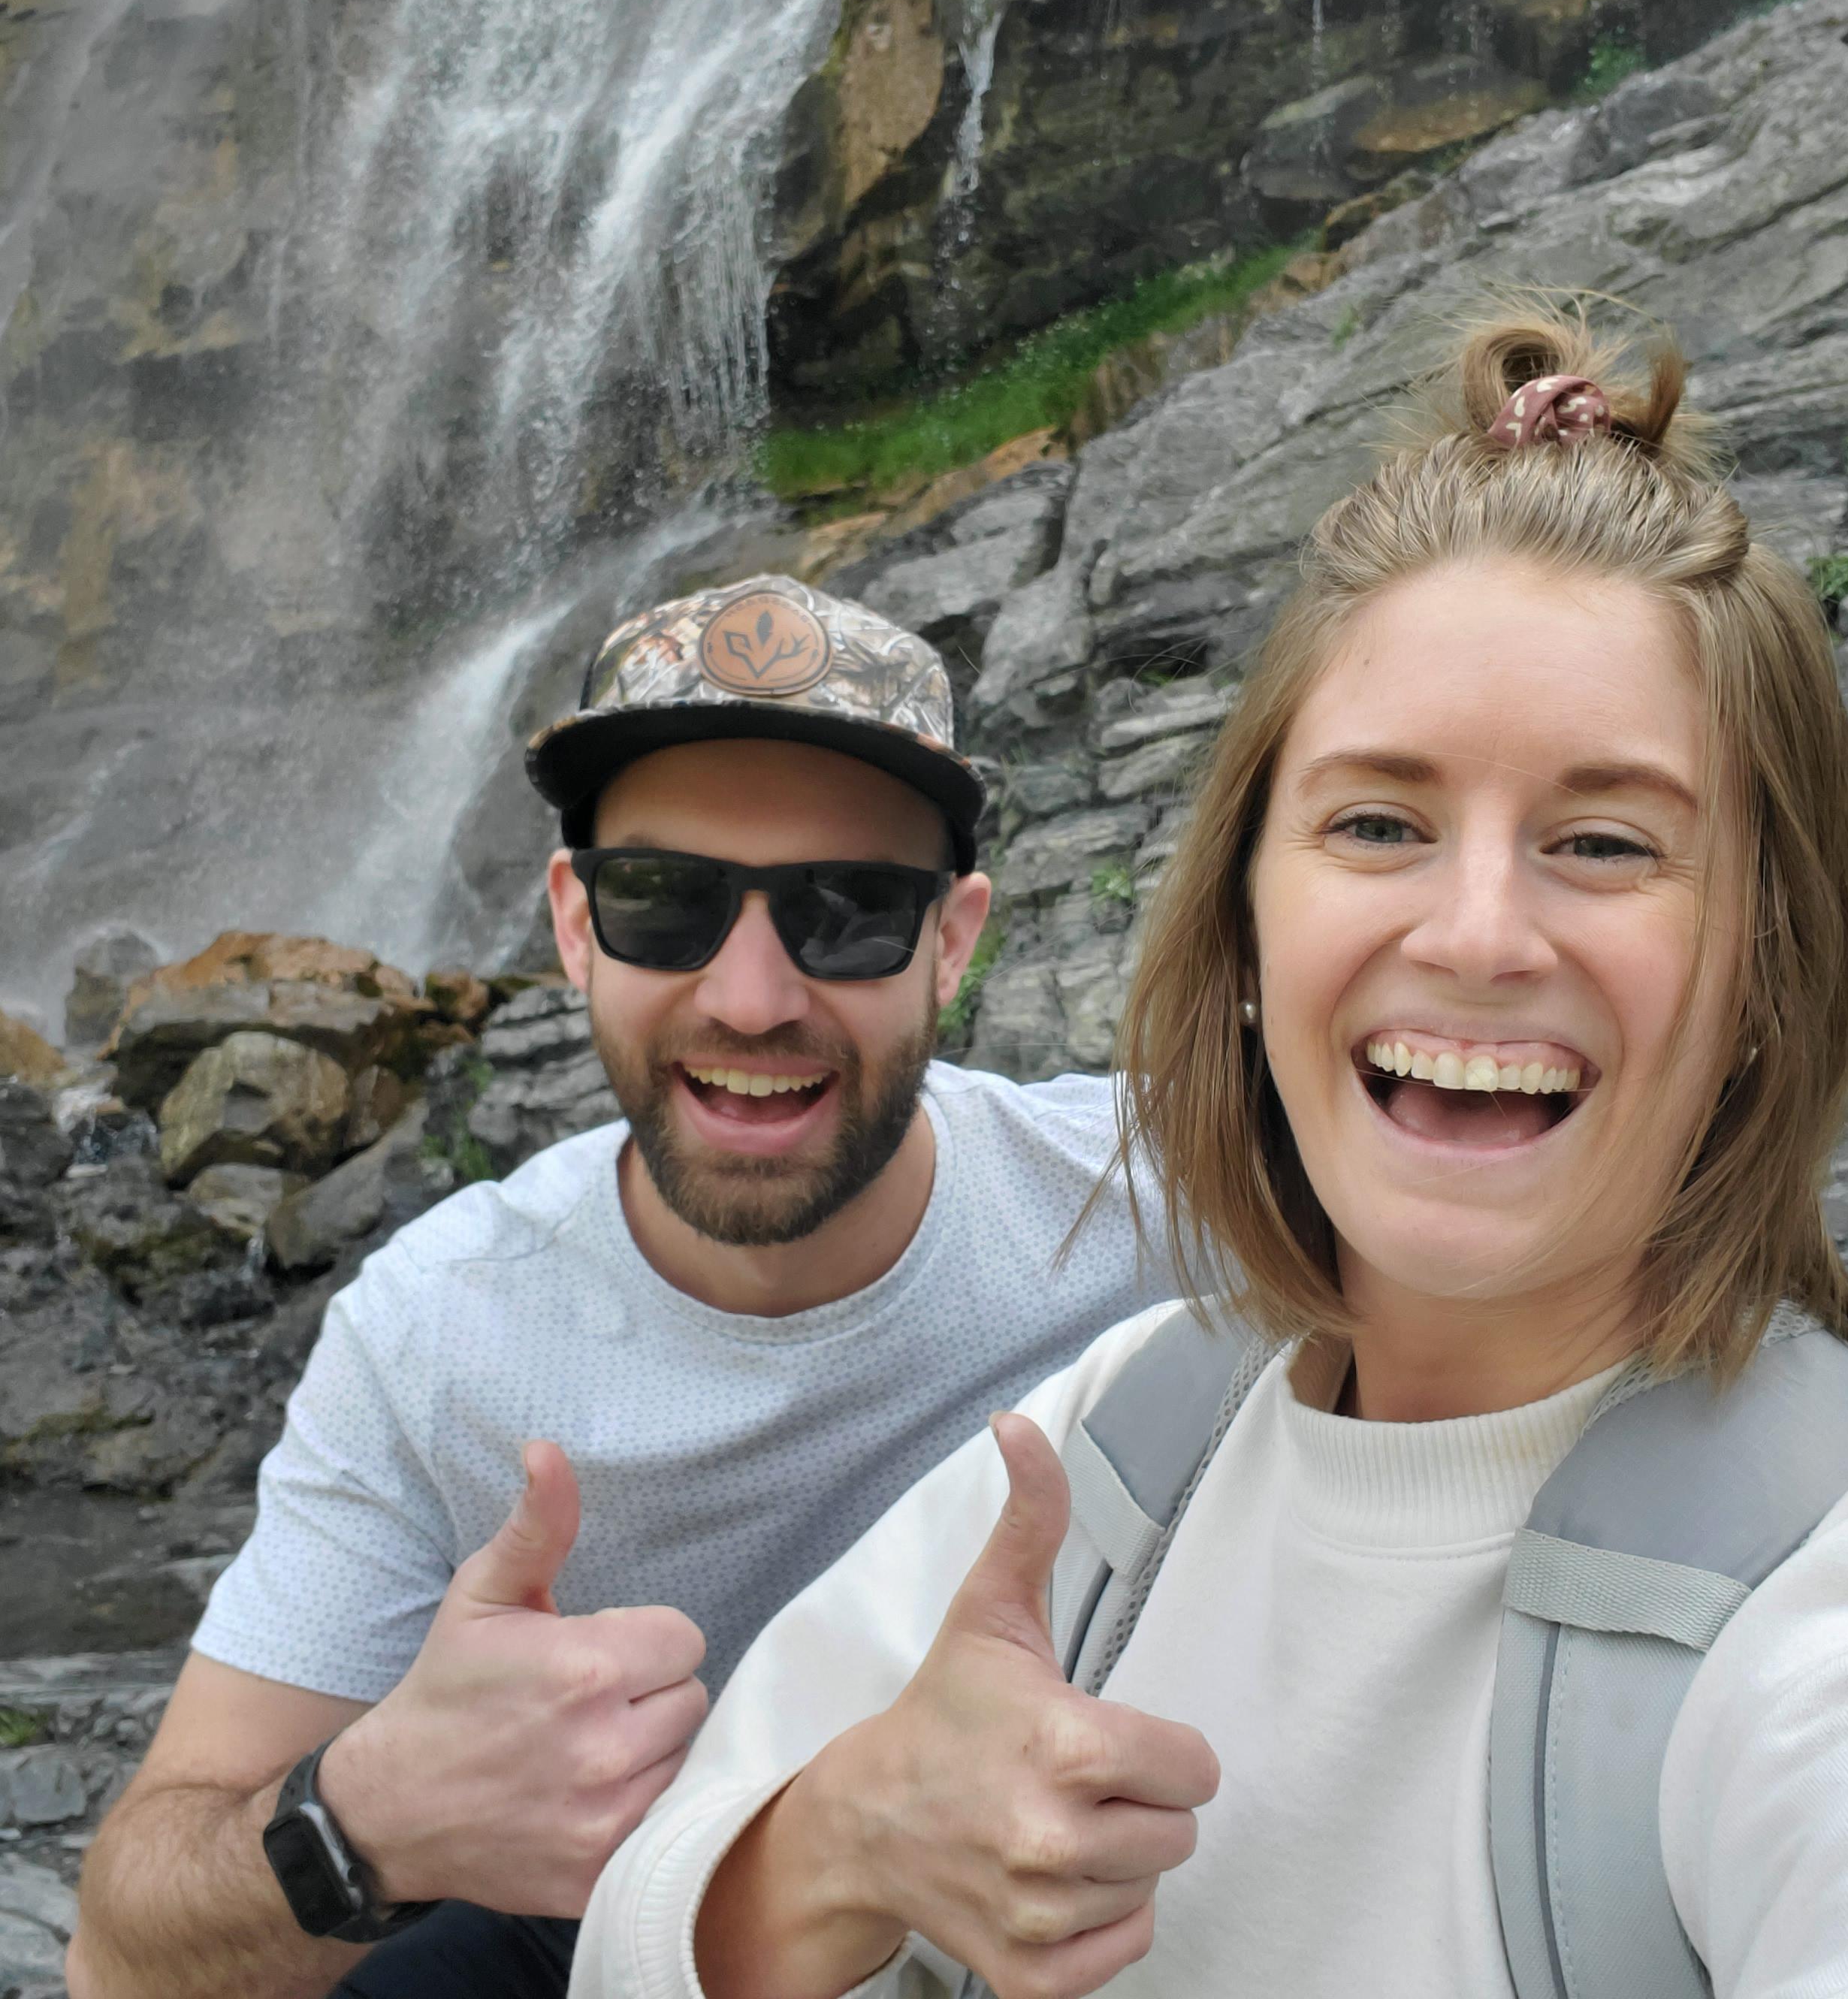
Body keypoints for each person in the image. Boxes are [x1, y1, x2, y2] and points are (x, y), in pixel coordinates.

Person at [568, 311, 1848, 1999]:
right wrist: (842, 1841)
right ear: (1249, 927)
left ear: (1773, 974)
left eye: (1606, 840)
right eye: (1378, 824)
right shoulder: (1137, 1433)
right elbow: (632, 1944)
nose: (1479, 932)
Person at [67, 576, 1179, 1999]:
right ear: (575, 926)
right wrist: (366, 1822)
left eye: (850, 911)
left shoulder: (1157, 1194)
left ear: (953, 941)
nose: (752, 996)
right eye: (666, 904)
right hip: (602, 1933)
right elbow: (121, 1955)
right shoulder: (433, 1338)